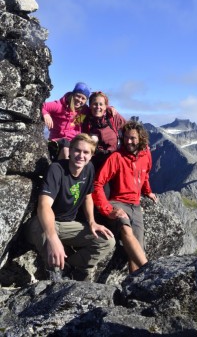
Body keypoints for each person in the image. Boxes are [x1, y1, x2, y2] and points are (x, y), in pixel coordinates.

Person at [26, 133, 115, 281]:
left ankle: (71, 266)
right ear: (70, 151)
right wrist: (53, 238)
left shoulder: (89, 169)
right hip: (45, 222)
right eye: (77, 150)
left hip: (68, 225)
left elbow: (87, 196)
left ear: (91, 155)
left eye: (86, 152)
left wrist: (92, 222)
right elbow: (44, 205)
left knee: (106, 241)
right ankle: (54, 272)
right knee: (42, 234)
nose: (81, 155)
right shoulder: (56, 169)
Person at [92, 120, 157, 273]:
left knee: (137, 248)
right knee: (126, 230)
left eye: (132, 138)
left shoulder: (146, 155)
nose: (128, 141)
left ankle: (133, 284)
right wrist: (108, 209)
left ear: (140, 139)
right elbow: (97, 184)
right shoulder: (117, 157)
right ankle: (149, 272)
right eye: (126, 138)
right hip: (118, 203)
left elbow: (145, 174)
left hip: (136, 205)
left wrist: (148, 191)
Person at [42, 82, 91, 160]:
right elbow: (41, 106)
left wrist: (110, 108)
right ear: (73, 94)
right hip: (56, 141)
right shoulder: (59, 106)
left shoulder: (84, 110)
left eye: (83, 98)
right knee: (66, 145)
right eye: (78, 96)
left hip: (73, 141)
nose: (79, 100)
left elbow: (98, 109)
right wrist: (45, 114)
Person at [82, 91, 126, 171]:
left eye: (101, 104)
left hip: (113, 161)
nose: (98, 107)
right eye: (95, 104)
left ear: (106, 106)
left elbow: (129, 129)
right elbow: (71, 123)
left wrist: (141, 143)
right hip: (94, 162)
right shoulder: (85, 119)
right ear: (90, 106)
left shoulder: (113, 116)